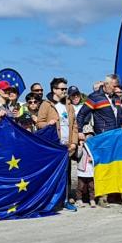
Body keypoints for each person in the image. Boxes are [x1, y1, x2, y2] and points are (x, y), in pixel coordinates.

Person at [76, 74, 122, 208]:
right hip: (103, 137)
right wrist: (79, 131)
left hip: (117, 137)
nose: (115, 89)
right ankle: (102, 197)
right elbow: (81, 114)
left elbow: (120, 116)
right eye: (113, 86)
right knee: (104, 168)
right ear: (106, 85)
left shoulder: (116, 98)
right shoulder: (95, 97)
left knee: (121, 167)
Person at [37, 77, 79, 211]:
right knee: (53, 174)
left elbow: (75, 126)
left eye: (66, 89)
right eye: (62, 89)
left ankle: (65, 200)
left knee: (66, 174)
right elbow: (39, 123)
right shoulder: (46, 104)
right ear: (54, 90)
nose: (65, 91)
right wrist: (48, 124)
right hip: (54, 146)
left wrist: (74, 142)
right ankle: (51, 200)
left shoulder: (69, 104)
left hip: (67, 145)